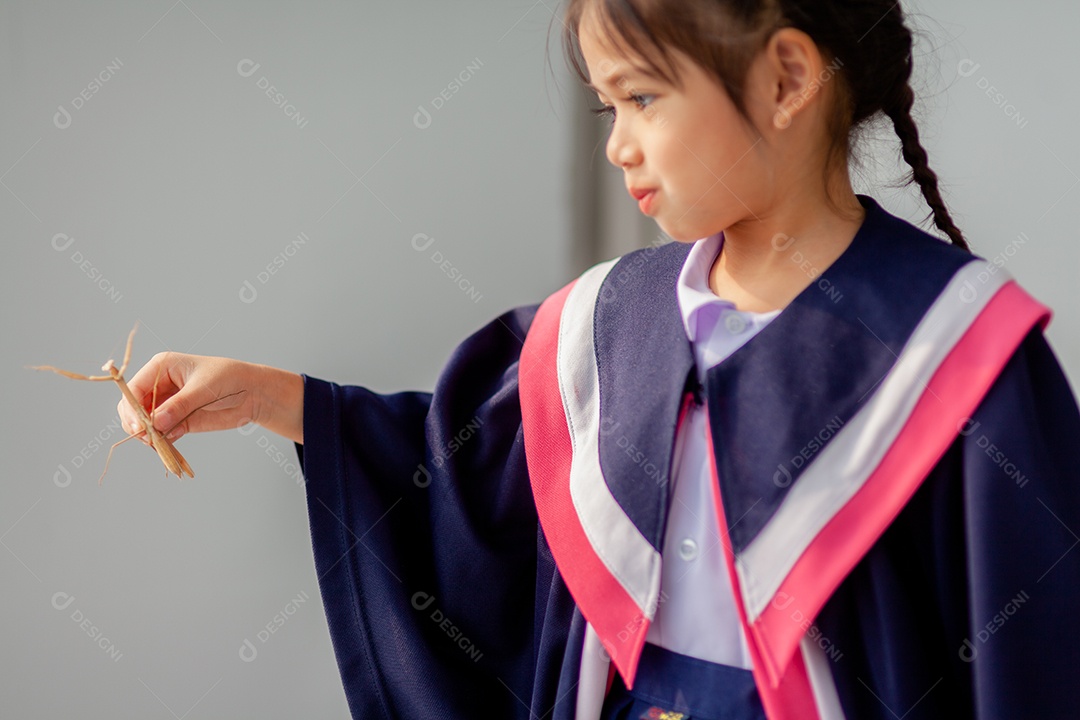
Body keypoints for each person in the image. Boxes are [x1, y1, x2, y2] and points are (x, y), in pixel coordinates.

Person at [118, 1, 1080, 718]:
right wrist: (275, 400)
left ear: (787, 79)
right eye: (605, 107)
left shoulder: (958, 349)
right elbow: (457, 475)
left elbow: (1034, 651)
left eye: (642, 97)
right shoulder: (609, 322)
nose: (619, 145)